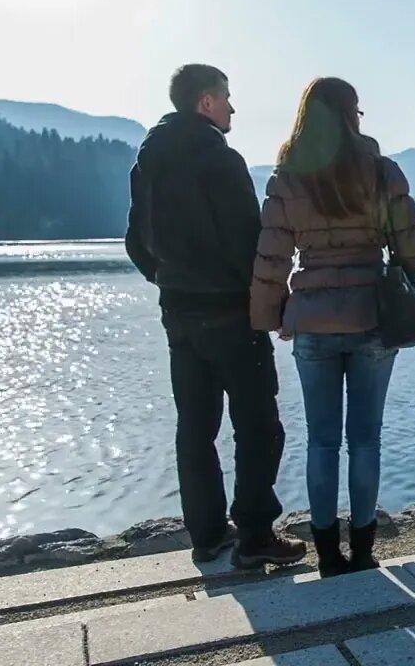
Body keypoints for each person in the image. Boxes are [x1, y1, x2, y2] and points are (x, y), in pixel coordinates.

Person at [126, 63, 306, 569]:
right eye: (227, 98)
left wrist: (169, 283)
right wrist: (269, 304)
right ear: (206, 102)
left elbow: (135, 243)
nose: (232, 108)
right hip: (230, 313)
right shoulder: (220, 159)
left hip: (178, 316)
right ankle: (254, 536)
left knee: (196, 426)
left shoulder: (147, 162)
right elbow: (250, 243)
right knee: (259, 425)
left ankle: (206, 535)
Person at [251, 77, 415, 577]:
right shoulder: (381, 172)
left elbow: (271, 258)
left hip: (312, 325)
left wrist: (272, 316)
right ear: (352, 115)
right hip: (373, 317)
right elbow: (413, 250)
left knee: (322, 441)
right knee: (366, 439)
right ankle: (366, 551)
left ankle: (329, 555)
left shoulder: (286, 178)